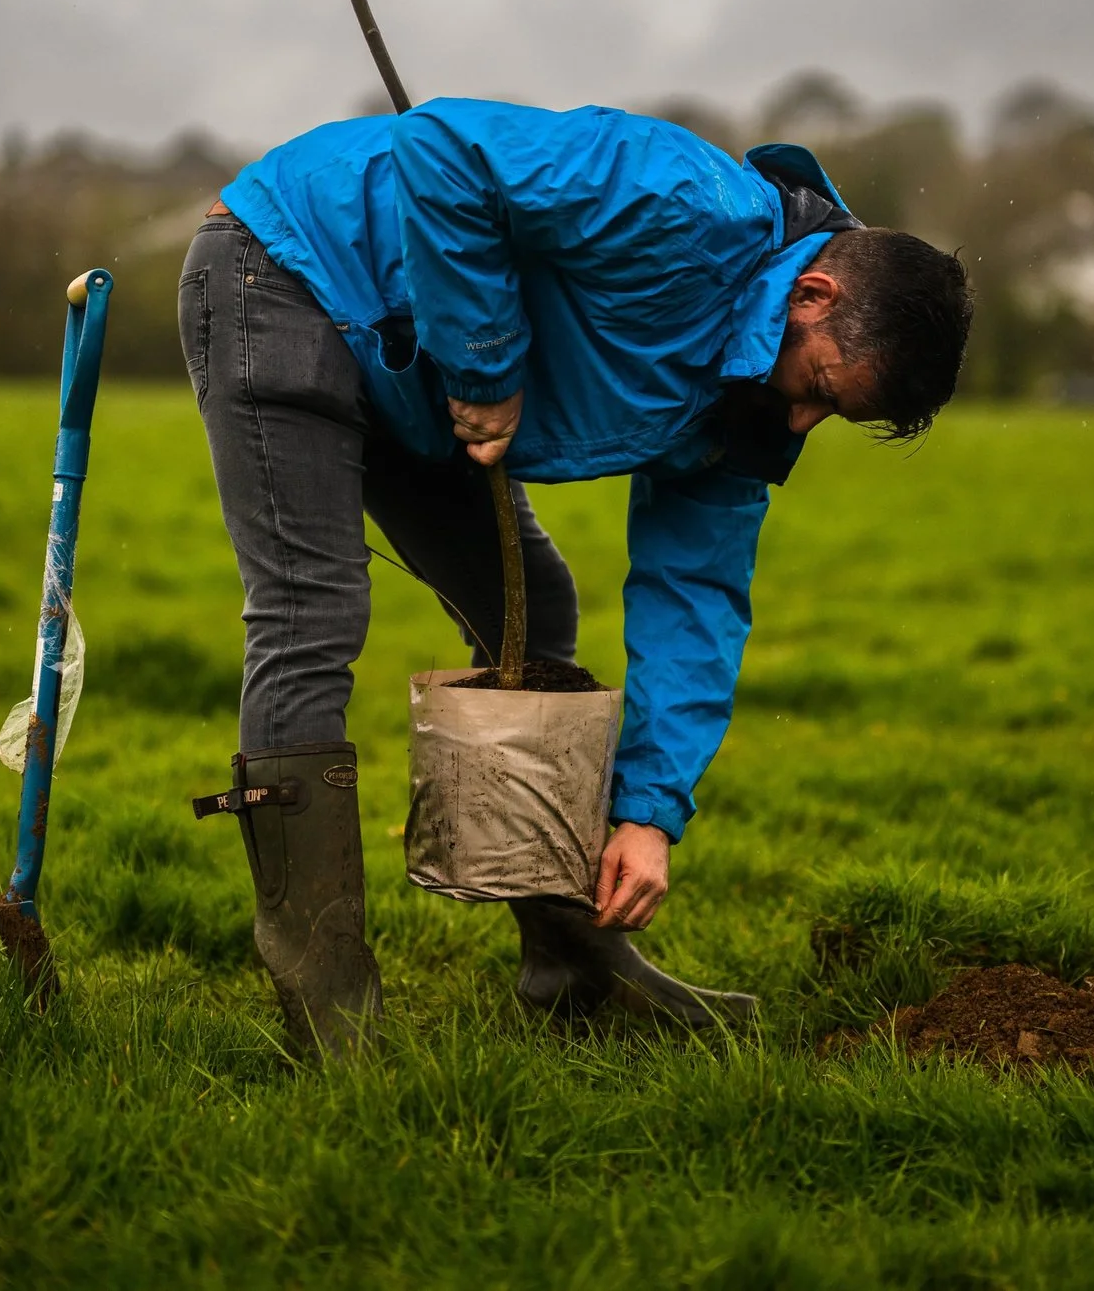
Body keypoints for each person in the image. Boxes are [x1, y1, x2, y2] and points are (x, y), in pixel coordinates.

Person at [180, 98, 972, 1053]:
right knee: (313, 610)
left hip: (416, 371)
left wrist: (648, 813)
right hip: (290, 266)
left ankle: (571, 963)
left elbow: (696, 597)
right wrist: (483, 363)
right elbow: (443, 149)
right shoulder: (686, 199)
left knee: (533, 609)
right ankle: (330, 1006)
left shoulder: (745, 401)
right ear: (815, 296)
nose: (801, 423)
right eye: (818, 389)